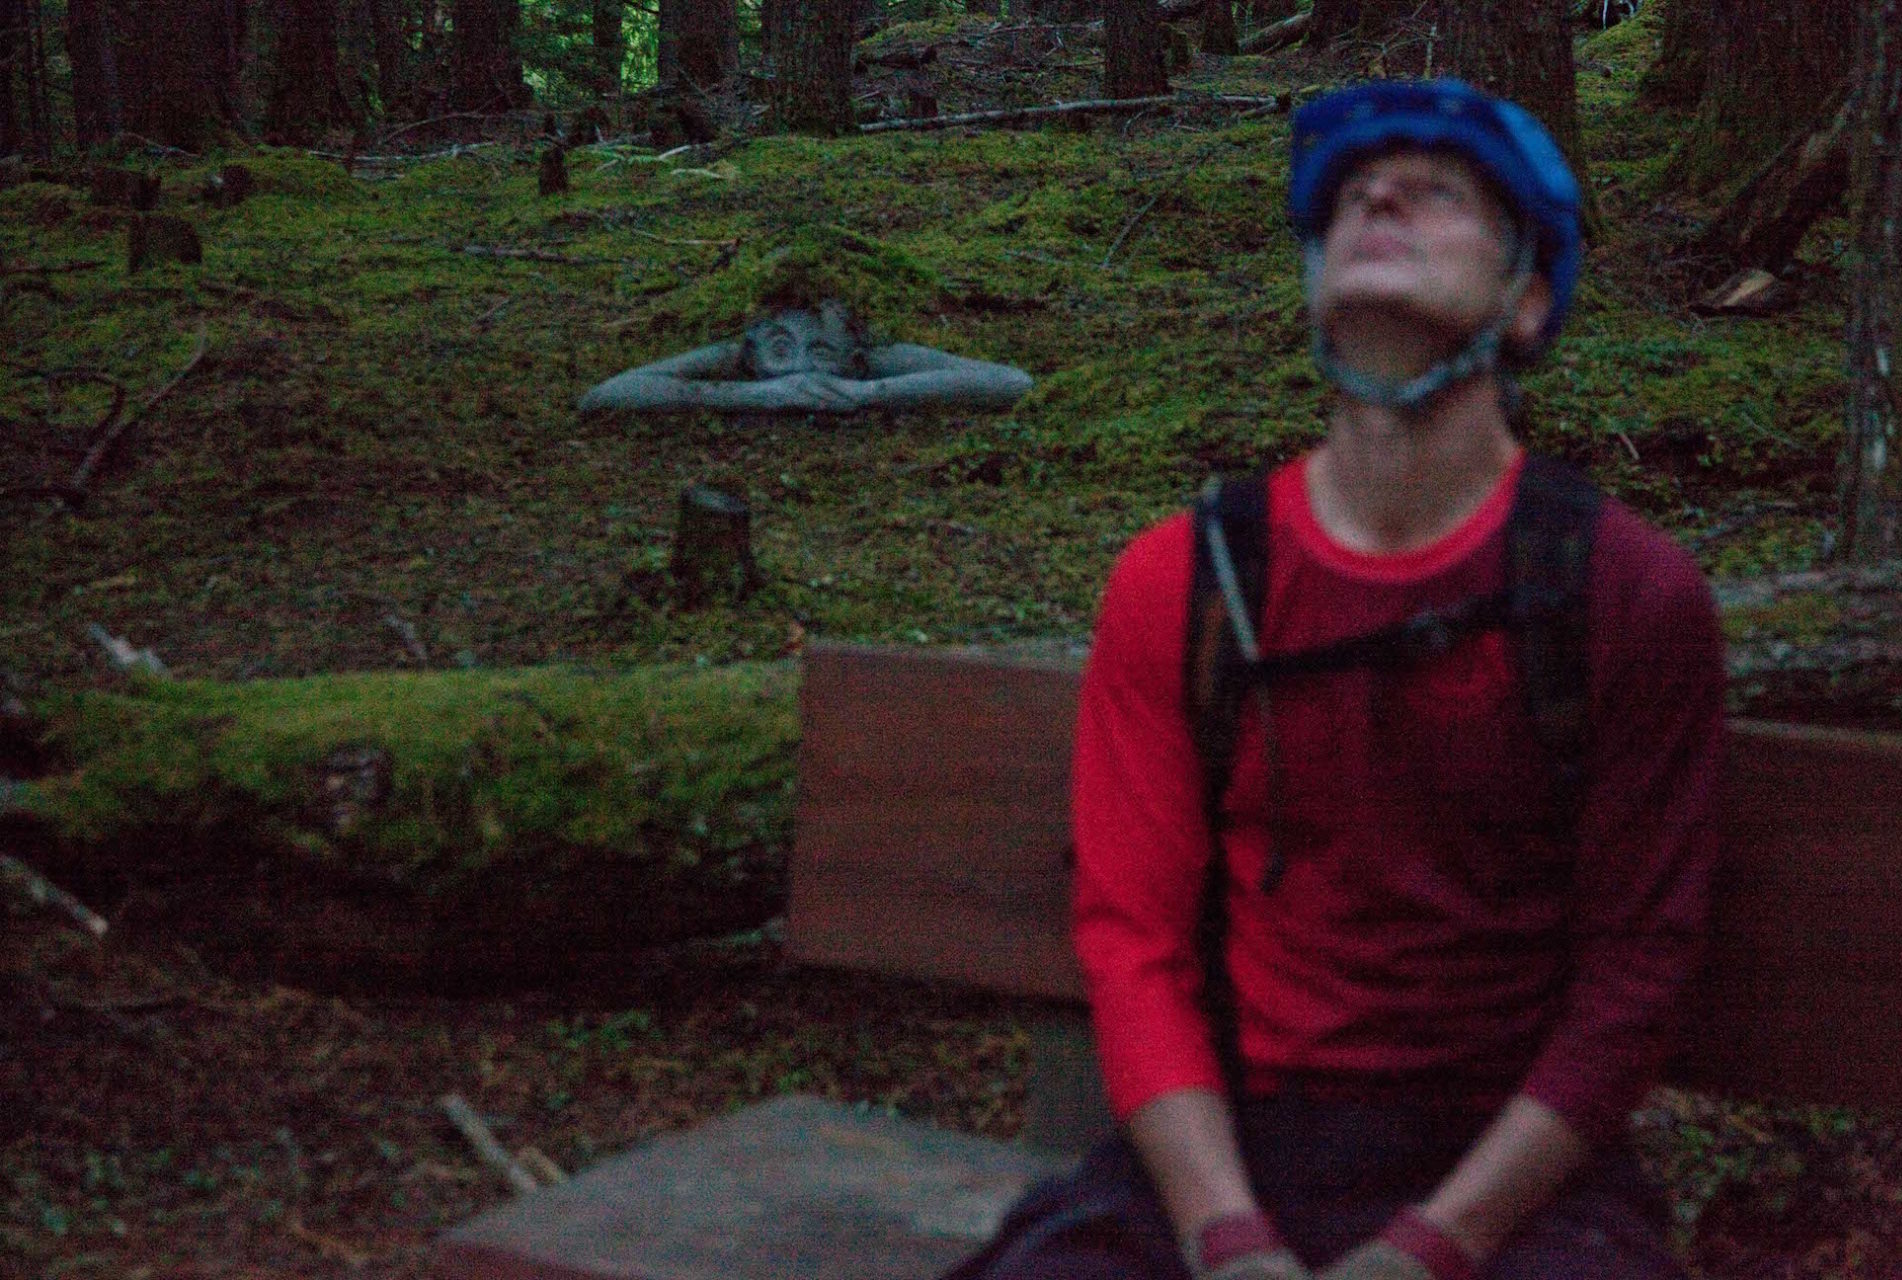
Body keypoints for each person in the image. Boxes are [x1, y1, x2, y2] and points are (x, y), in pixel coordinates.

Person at [950, 80, 1724, 1280]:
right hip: (1232, 1140)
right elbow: (1133, 936)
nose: (1377, 193)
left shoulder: (1626, 594)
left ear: (1527, 299)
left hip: (1512, 1175)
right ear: (1313, 287)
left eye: (1443, 189)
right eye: (1352, 193)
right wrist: (1226, 1233)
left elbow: (1635, 976)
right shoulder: (1187, 580)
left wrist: (1430, 1247)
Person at [577, 298, 1034, 414]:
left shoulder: (864, 354)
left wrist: (869, 392)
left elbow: (1012, 382)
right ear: (756, 349)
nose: (798, 363)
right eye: (781, 345)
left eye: (818, 349)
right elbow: (605, 394)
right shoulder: (742, 354)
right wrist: (756, 397)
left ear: (852, 358)